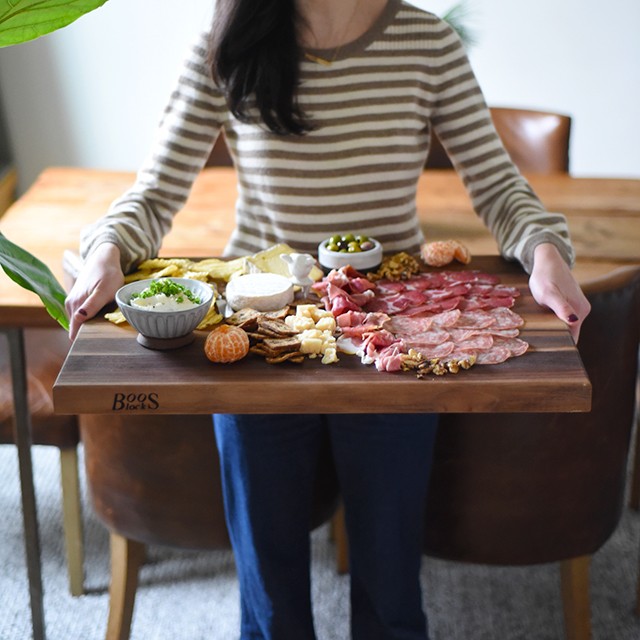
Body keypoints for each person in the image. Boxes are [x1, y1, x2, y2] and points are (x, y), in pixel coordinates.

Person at [65, 1, 591, 638]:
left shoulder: (427, 41)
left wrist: (544, 252)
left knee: (393, 590)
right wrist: (107, 251)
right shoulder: (228, 34)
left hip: (391, 342)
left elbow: (500, 188)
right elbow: (155, 191)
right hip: (257, 339)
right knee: (271, 604)